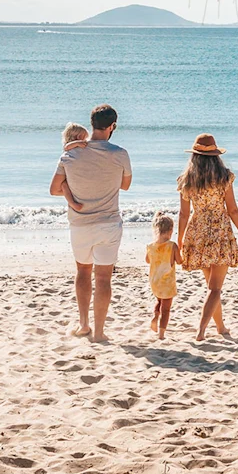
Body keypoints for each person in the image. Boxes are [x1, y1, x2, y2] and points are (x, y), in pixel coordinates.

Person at [50, 105, 132, 343]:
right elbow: (125, 186)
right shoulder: (120, 154)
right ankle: (98, 332)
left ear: (92, 124)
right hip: (108, 223)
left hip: (80, 224)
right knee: (104, 278)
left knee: (83, 272)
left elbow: (54, 189)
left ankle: (84, 325)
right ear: (112, 126)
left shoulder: (69, 154)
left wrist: (69, 191)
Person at [176, 133, 238, 341]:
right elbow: (232, 209)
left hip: (197, 231)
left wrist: (181, 239)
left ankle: (221, 327)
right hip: (220, 232)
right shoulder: (224, 176)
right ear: (216, 155)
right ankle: (201, 330)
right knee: (215, 288)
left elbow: (183, 213)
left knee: (211, 286)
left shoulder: (187, 180)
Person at [144, 213, 178, 340]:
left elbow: (147, 260)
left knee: (159, 301)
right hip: (167, 282)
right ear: (170, 230)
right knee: (166, 309)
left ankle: (155, 317)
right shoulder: (172, 245)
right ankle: (162, 334)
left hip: (154, 281)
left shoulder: (151, 246)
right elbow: (179, 261)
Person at [58, 123, 89, 213]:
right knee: (64, 185)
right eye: (84, 138)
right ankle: (72, 203)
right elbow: (66, 147)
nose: (85, 141)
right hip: (69, 177)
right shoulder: (70, 146)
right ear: (78, 137)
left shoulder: (79, 147)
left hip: (76, 175)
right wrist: (77, 143)